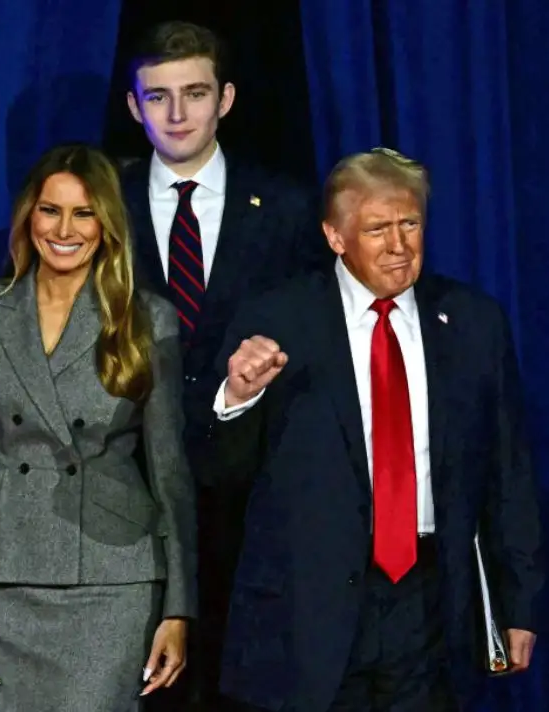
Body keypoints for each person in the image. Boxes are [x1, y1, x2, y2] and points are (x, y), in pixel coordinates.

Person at [200, 148, 545, 712]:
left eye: (410, 224)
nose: (399, 245)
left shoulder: (472, 322)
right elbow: (217, 471)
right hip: (310, 612)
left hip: (430, 606)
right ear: (335, 236)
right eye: (377, 229)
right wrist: (237, 398)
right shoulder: (278, 319)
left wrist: (519, 601)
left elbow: (508, 472)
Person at [0, 144, 198, 712]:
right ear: (29, 215)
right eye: (50, 210)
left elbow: (170, 471)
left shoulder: (145, 319)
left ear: (106, 224)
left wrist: (178, 607)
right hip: (5, 572)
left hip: (113, 579)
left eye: (84, 213)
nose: (64, 230)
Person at [119, 20, 330, 706]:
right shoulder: (101, 205)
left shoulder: (288, 208)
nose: (177, 114)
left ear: (226, 99)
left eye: (195, 93)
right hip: (128, 499)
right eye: (158, 97)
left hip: (251, 499)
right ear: (134, 106)